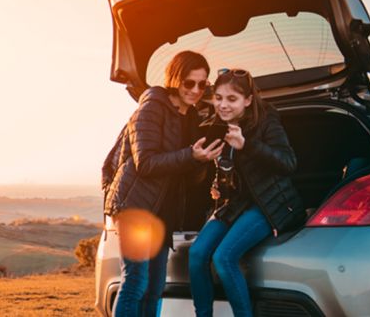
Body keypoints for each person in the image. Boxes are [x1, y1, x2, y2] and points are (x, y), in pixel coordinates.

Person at [104, 50, 223, 317]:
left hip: (162, 213)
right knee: (136, 282)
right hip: (136, 207)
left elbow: (183, 170)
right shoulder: (151, 107)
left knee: (155, 287)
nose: (195, 90)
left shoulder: (190, 116)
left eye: (202, 84)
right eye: (189, 83)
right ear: (175, 78)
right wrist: (189, 155)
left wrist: (201, 160)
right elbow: (145, 162)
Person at [188, 68, 304, 317]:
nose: (223, 105)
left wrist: (247, 145)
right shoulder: (216, 126)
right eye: (218, 98)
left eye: (231, 99)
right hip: (234, 204)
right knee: (197, 254)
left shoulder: (266, 121)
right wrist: (208, 173)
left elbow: (288, 162)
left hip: (267, 203)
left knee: (223, 258)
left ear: (248, 100)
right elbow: (226, 170)